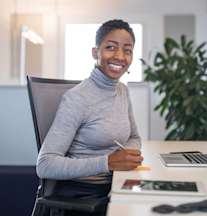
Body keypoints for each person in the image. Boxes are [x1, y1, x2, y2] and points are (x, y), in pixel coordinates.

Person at [36, 19, 143, 215]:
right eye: (111, 47)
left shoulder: (122, 91)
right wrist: (108, 163)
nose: (120, 56)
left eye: (127, 50)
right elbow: (45, 164)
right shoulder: (77, 98)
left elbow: (134, 137)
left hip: (115, 185)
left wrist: (126, 157)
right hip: (84, 196)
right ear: (96, 52)